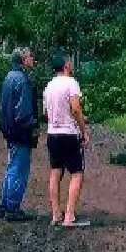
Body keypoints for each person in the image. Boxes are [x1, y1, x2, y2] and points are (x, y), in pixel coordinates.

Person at [44, 53, 91, 227]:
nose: (71, 63)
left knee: (55, 172)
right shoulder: (71, 83)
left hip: (52, 134)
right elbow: (76, 109)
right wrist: (83, 130)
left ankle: (56, 214)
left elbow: (47, 113)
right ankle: (69, 216)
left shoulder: (49, 86)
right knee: (77, 173)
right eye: (69, 61)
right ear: (65, 66)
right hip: (69, 135)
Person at [0, 47, 38, 221]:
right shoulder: (22, 80)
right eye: (30, 56)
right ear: (23, 60)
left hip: (10, 130)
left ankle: (5, 205)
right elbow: (23, 113)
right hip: (21, 132)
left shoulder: (9, 77)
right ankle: (12, 208)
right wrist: (34, 125)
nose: (33, 59)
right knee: (19, 170)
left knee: (12, 167)